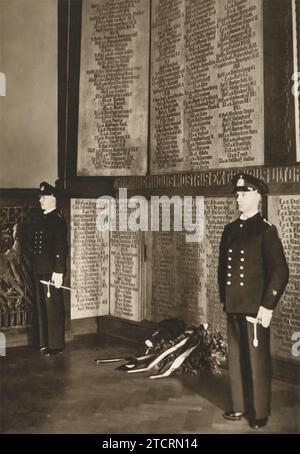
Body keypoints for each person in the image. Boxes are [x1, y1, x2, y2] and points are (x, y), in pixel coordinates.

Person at [218, 174, 289, 429]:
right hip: (235, 304)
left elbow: (280, 271)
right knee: (236, 358)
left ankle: (259, 412)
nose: (239, 198)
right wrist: (224, 298)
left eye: (244, 194)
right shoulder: (230, 229)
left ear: (257, 197)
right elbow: (222, 268)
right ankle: (239, 405)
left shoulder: (265, 230)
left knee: (257, 362)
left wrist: (268, 306)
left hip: (255, 308)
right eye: (238, 194)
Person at [31, 182, 68, 356]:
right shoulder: (44, 219)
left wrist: (59, 272)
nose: (40, 200)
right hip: (40, 269)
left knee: (53, 308)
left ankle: (55, 345)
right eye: (40, 197)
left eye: (43, 197)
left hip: (51, 271)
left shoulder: (57, 220)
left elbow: (61, 248)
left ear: (53, 199)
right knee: (41, 308)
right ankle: (43, 342)